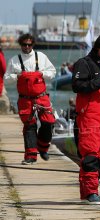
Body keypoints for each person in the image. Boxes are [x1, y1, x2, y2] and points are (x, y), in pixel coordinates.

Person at [72, 35, 100, 204]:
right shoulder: (83, 63)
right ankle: (90, 191)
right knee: (90, 151)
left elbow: (97, 85)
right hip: (88, 114)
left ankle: (92, 189)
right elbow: (77, 86)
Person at [4, 33, 56, 165]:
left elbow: (53, 72)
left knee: (49, 122)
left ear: (33, 44)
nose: (27, 47)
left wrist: (42, 73)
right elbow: (6, 78)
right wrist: (17, 76)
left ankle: (43, 146)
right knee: (29, 126)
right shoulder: (15, 60)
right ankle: (30, 156)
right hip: (25, 99)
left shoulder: (41, 57)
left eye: (29, 44)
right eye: (24, 44)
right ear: (20, 45)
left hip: (41, 97)